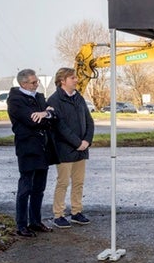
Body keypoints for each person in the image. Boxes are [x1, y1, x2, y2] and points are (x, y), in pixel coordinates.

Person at [7, 69, 59, 237]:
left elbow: (55, 116)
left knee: (39, 188)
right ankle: (21, 225)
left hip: (43, 148)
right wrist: (47, 116)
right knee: (25, 189)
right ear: (23, 84)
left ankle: (35, 221)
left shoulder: (39, 97)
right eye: (34, 82)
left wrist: (46, 114)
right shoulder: (15, 100)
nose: (37, 84)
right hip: (27, 149)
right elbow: (32, 121)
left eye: (37, 81)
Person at [47, 67, 94, 228]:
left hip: (82, 149)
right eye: (72, 78)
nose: (76, 80)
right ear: (63, 81)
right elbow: (60, 126)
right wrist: (77, 143)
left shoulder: (78, 97)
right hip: (64, 149)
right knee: (63, 183)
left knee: (79, 182)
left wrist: (87, 140)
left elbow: (89, 121)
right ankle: (58, 214)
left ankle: (76, 211)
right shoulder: (54, 100)